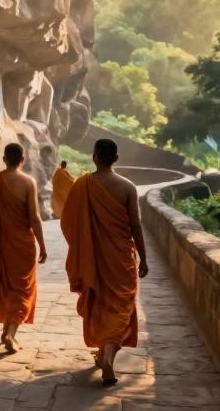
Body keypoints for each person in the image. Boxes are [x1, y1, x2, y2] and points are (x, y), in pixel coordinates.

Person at [61, 138, 148, 386]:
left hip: (94, 259)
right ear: (116, 159)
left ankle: (103, 354)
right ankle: (107, 355)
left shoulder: (82, 184)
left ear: (94, 157)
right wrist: (143, 258)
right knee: (121, 306)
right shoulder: (128, 187)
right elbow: (136, 226)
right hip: (121, 258)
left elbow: (67, 222)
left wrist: (82, 246)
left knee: (100, 303)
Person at [0, 143, 48, 354]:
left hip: (0, 245)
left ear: (4, 158)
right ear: (23, 160)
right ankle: (10, 334)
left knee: (7, 286)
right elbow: (34, 217)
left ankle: (7, 328)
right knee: (23, 289)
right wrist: (42, 245)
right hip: (23, 245)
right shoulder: (28, 182)